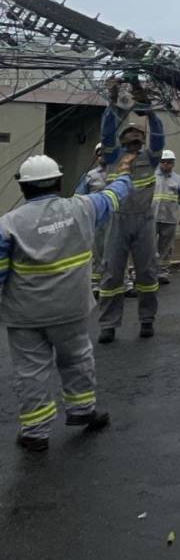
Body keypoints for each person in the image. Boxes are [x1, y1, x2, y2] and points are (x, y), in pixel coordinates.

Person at [0, 153, 133, 451]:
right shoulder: (83, 208)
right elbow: (114, 195)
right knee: (77, 360)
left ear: (23, 188)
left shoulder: (7, 225)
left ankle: (35, 433)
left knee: (31, 371)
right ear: (59, 182)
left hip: (25, 316)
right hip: (71, 310)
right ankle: (83, 411)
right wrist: (124, 170)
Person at [98, 79, 164, 343]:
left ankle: (147, 320)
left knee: (147, 273)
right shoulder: (113, 158)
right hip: (118, 221)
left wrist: (148, 111)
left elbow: (159, 134)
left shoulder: (152, 157)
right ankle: (108, 325)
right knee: (112, 274)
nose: (135, 140)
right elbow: (106, 133)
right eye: (130, 137)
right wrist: (114, 105)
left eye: (139, 137)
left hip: (145, 221)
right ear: (124, 141)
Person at [152, 150, 180, 284]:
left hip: (169, 218)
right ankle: (143, 272)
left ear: (173, 164)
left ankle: (162, 272)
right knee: (147, 247)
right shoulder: (151, 176)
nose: (165, 164)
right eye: (163, 162)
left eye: (169, 162)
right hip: (152, 218)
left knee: (166, 248)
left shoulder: (178, 179)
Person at [74, 143, 109, 294]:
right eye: (100, 153)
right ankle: (95, 283)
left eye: (106, 153)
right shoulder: (90, 176)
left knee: (120, 252)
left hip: (118, 219)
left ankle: (123, 281)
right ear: (96, 156)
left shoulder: (121, 174)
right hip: (97, 221)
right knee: (97, 252)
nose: (103, 156)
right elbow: (78, 198)